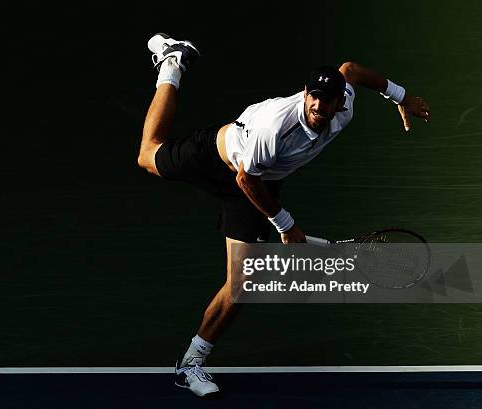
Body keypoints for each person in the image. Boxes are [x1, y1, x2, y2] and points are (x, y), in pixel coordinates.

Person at [137, 33, 430, 398]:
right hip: (218, 157)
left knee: (242, 284)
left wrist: (400, 97)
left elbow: (351, 70)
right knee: (147, 156)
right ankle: (172, 62)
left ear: (341, 102)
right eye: (314, 97)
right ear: (306, 95)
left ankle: (190, 364)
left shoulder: (344, 108)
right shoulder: (276, 127)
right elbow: (246, 178)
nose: (319, 105)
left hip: (258, 182)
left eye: (328, 99)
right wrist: (286, 226)